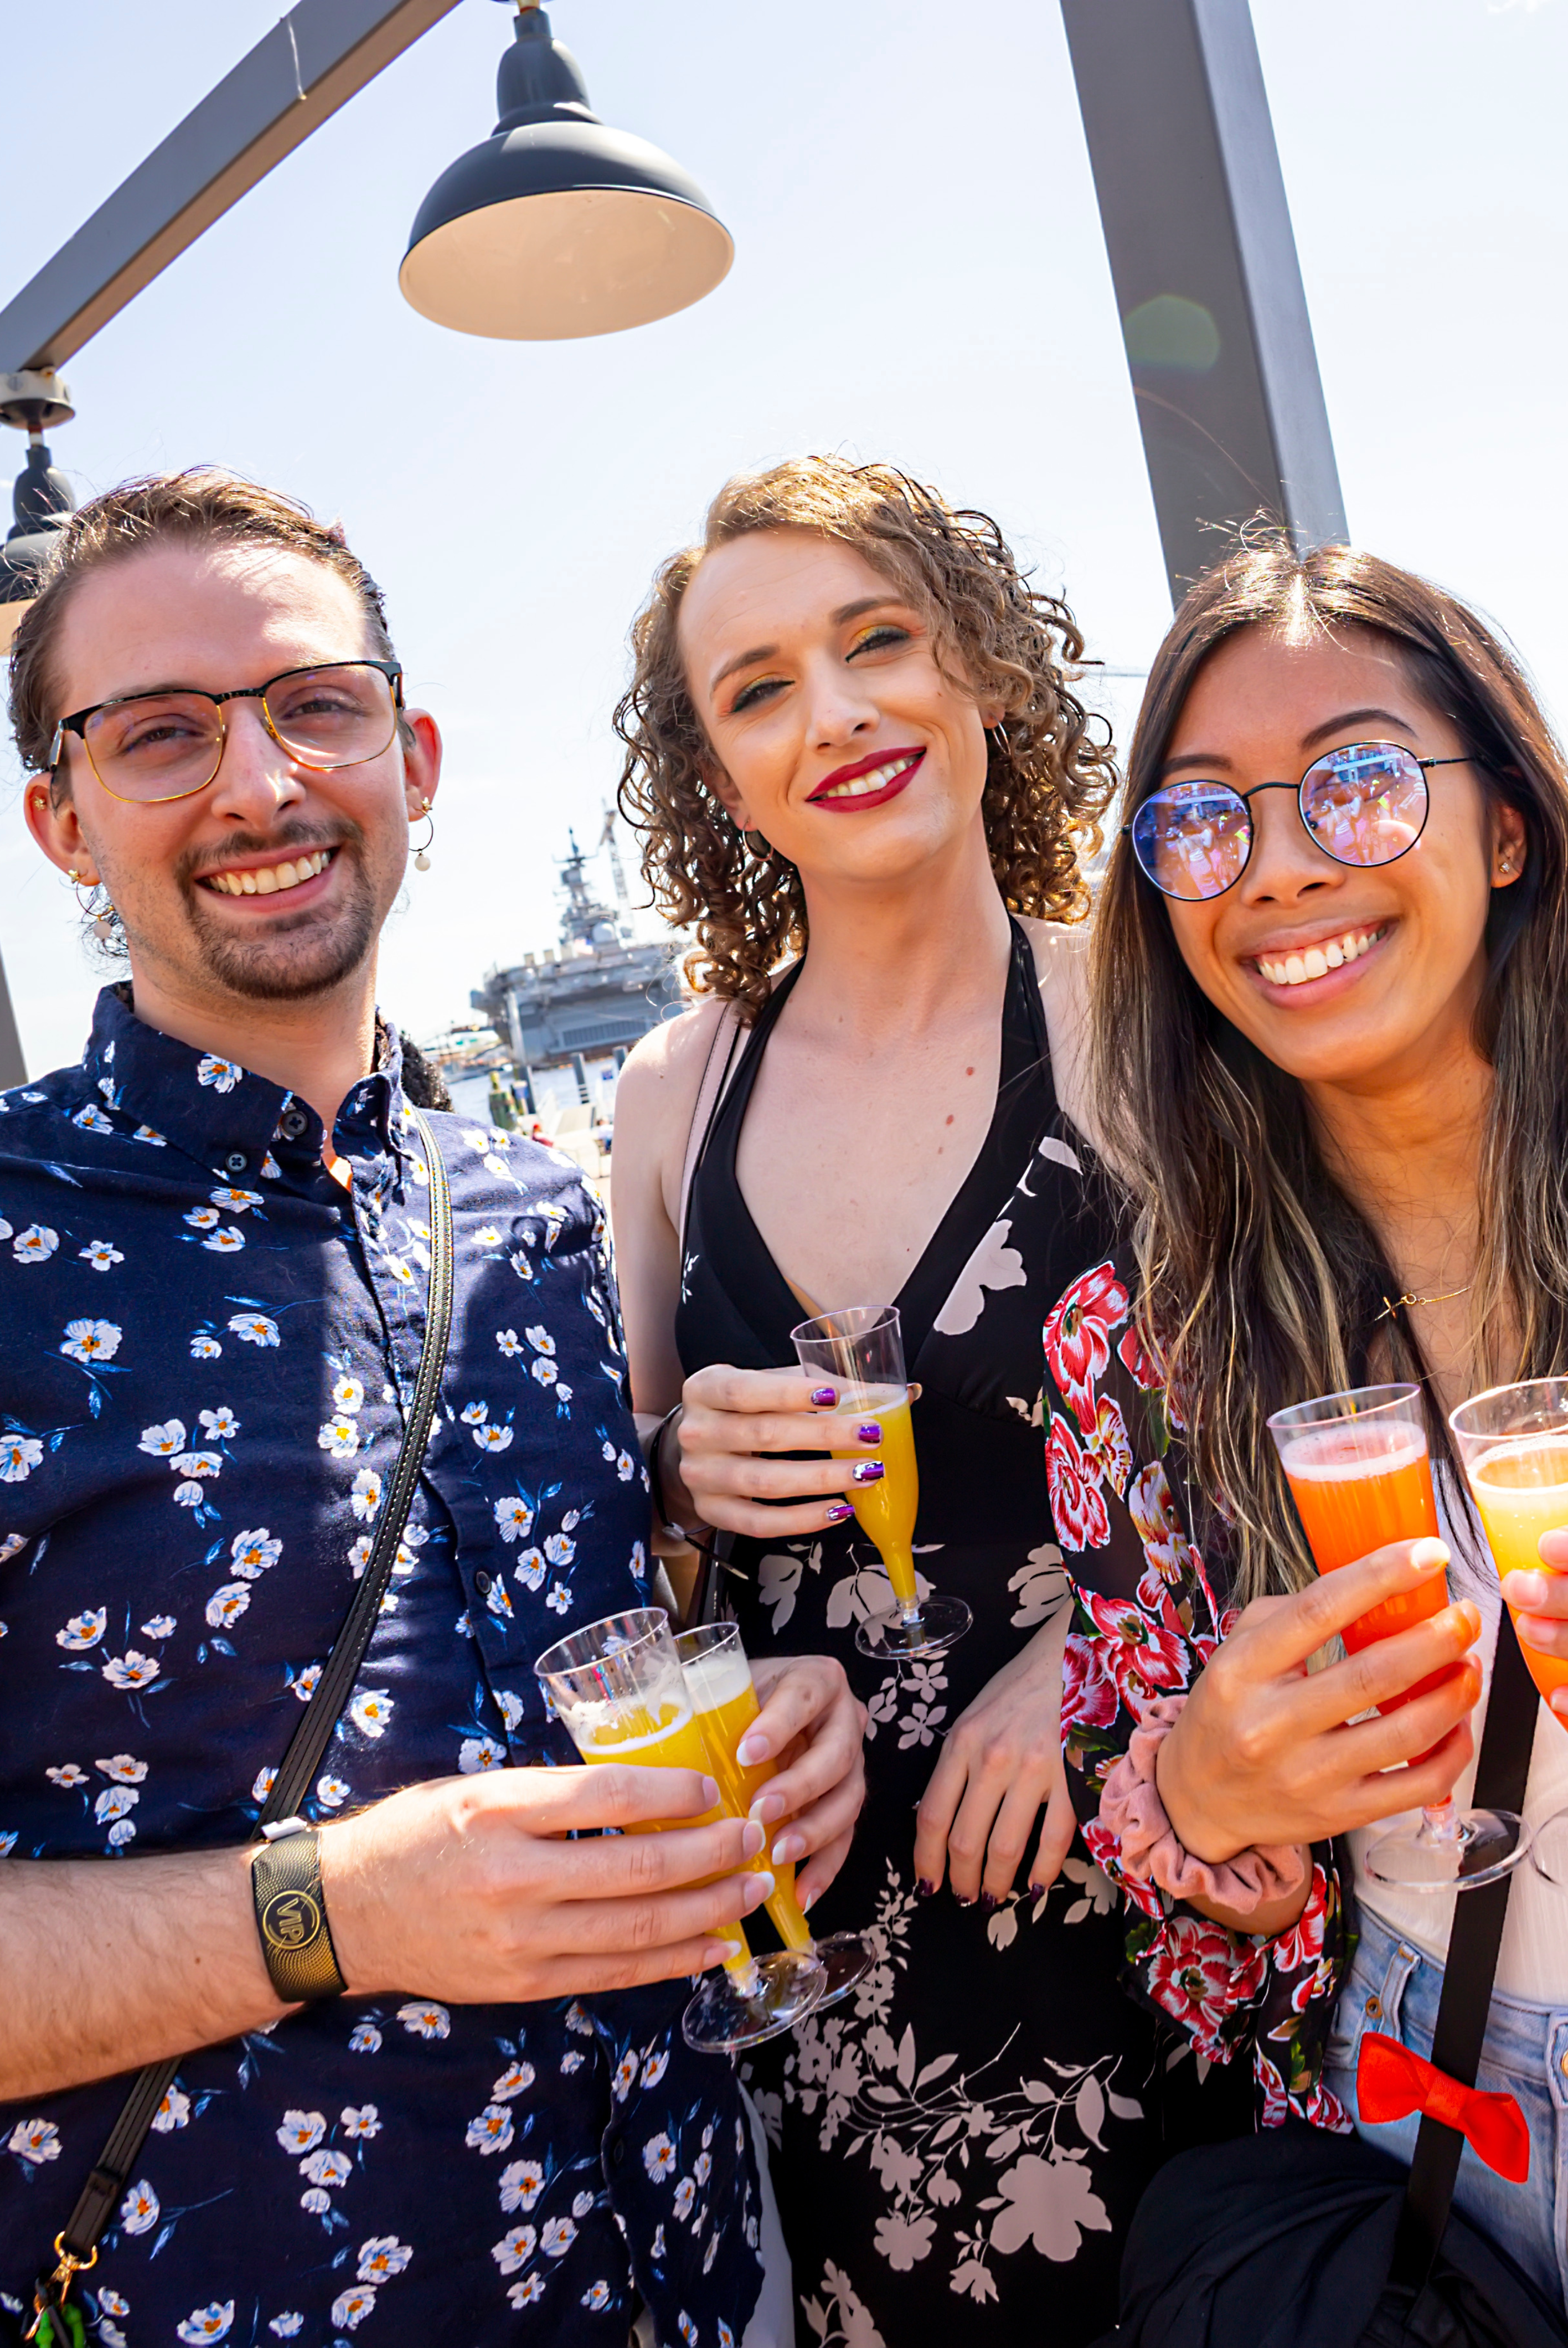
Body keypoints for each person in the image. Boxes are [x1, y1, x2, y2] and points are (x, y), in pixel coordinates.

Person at [0, 468, 868, 2347]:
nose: (260, 784)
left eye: (316, 705)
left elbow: (585, 1639)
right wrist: (326, 1916)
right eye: (159, 736)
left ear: (416, 753)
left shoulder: (536, 1215)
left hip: (706, 2269)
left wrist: (771, 1718)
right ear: (60, 824)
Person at [608, 458, 1341, 2342]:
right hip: (830, 1962)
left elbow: (1318, 1423)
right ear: (716, 770)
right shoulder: (674, 1095)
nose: (834, 713)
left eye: (878, 643)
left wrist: (1097, 1657)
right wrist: (679, 1473)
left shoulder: (1145, 1010)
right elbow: (625, 1547)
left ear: (985, 674)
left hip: (1153, 1890)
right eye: (758, 687)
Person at [1080, 533, 1568, 2310]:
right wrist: (1203, 1806)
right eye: (1204, 819)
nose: (1277, 869)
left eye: (1357, 782)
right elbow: (1198, 1948)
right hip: (1420, 2100)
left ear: (1505, 828)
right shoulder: (1146, 1339)